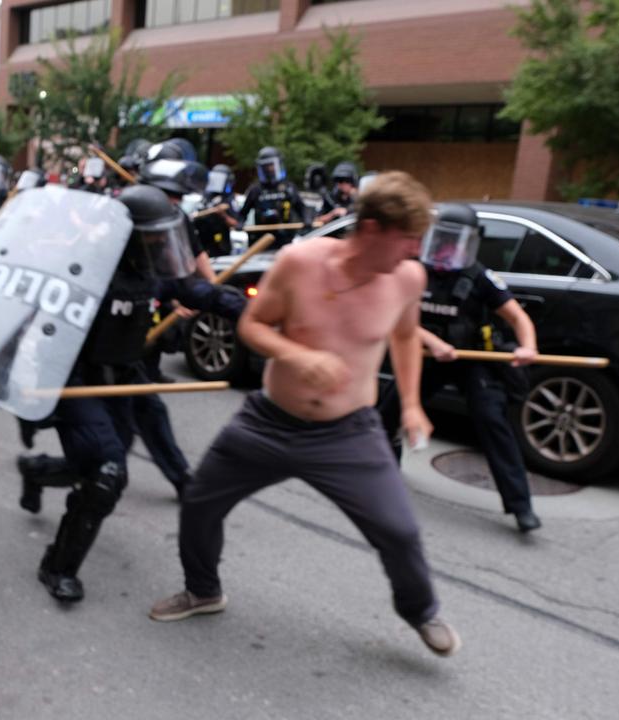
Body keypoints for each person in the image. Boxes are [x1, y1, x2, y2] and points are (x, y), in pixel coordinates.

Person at [148, 171, 461, 659]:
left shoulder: (406, 278)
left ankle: (419, 610)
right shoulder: (301, 263)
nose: (413, 253)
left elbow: (403, 336)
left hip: (348, 432)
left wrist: (415, 404)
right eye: (407, 240)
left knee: (399, 529)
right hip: (268, 422)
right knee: (200, 503)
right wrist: (296, 356)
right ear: (373, 229)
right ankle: (203, 590)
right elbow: (253, 326)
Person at [36, 184, 244, 603]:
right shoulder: (86, 269)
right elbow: (45, 329)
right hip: (78, 382)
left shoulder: (152, 269)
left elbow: (194, 290)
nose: (158, 246)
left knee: (95, 461)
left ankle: (36, 471)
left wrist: (248, 308)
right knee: (107, 473)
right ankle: (57, 566)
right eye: (151, 238)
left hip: (122, 379)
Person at [379, 204, 542, 532]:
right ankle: (385, 477)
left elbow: (517, 317)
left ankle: (520, 505)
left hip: (472, 360)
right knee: (388, 412)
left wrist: (528, 346)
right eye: (443, 239)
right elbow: (396, 317)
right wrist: (433, 343)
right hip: (426, 357)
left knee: (492, 421)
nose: (447, 248)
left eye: (456, 241)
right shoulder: (415, 270)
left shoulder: (479, 276)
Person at [237, 146, 307, 249]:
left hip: (286, 239)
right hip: (262, 241)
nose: (269, 169)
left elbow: (302, 209)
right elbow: (243, 214)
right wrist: (240, 223)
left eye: (271, 165)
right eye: (266, 166)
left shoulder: (288, 187)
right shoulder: (255, 190)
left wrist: (307, 221)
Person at [191, 163, 242, 261]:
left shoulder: (228, 200)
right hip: (203, 244)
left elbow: (236, 224)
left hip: (220, 245)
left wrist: (223, 215)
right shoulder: (206, 197)